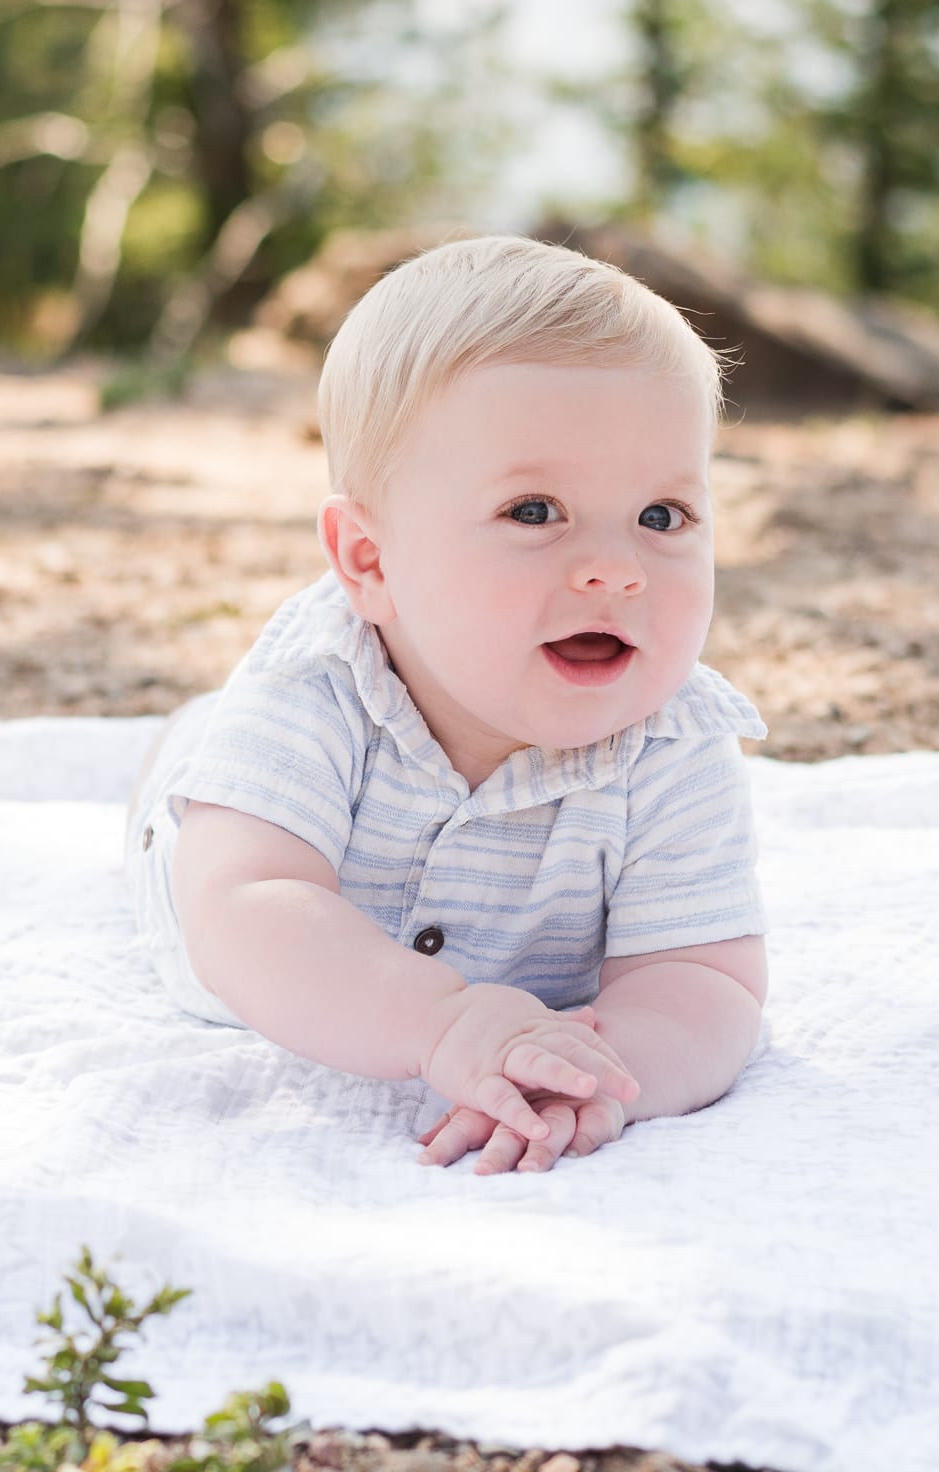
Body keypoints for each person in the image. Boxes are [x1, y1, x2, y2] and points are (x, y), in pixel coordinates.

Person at [125, 233, 768, 1176]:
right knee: (200, 782)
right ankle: (182, 749)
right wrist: (439, 1022)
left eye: (660, 517)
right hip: (210, 876)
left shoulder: (674, 742)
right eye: (534, 511)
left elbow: (704, 979)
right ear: (370, 562)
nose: (614, 569)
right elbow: (246, 908)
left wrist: (600, 1073)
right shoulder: (317, 690)